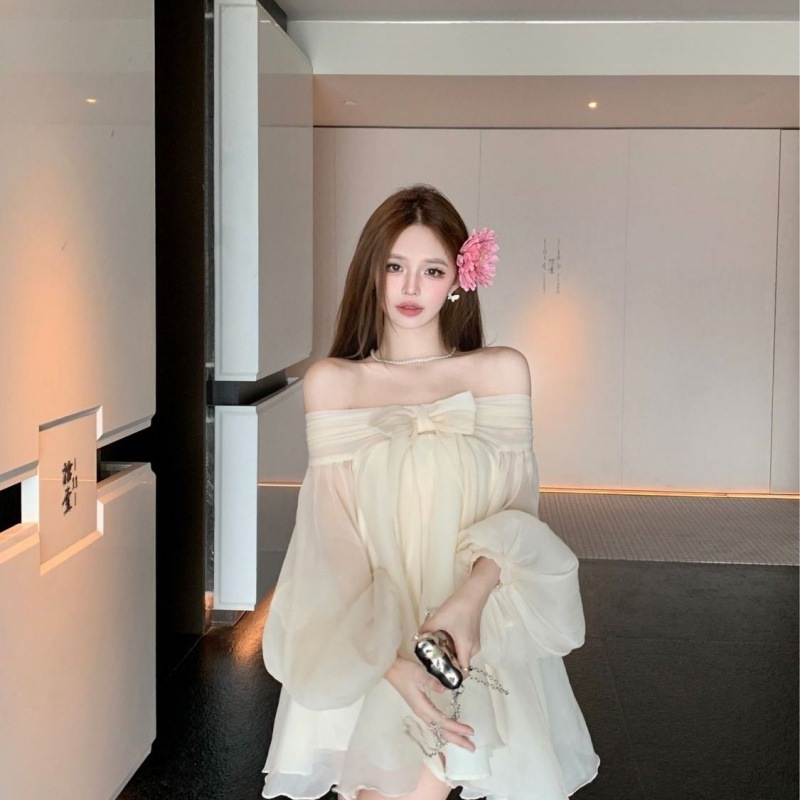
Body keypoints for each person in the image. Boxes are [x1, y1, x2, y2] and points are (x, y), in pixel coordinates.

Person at [261, 184, 600, 800]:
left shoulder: (500, 372)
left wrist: (468, 604)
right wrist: (388, 665)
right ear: (371, 272)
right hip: (370, 639)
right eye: (395, 266)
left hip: (472, 635)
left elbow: (518, 511)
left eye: (432, 270)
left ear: (459, 280)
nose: (411, 287)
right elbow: (332, 538)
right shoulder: (333, 383)